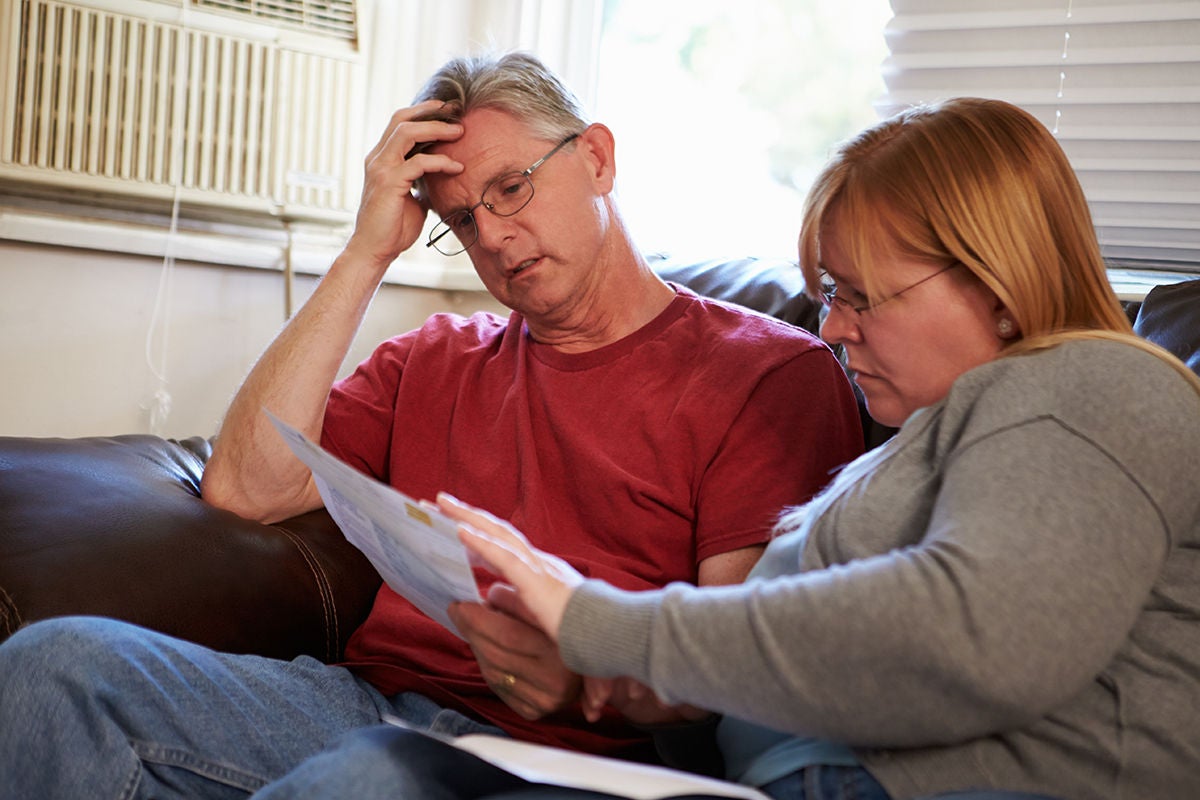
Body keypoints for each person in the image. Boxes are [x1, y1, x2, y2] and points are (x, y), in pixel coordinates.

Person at [0, 52, 865, 798]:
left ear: (596, 158)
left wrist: (586, 677)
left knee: (365, 782)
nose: (492, 235)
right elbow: (245, 489)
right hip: (366, 706)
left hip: (570, 753)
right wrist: (367, 249)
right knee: (52, 666)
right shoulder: (437, 357)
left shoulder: (769, 372)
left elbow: (739, 658)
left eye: (512, 188)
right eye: (460, 219)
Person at [402, 97, 1200, 800]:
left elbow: (973, 633)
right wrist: (650, 691)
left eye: (859, 296)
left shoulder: (1096, 384)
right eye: (827, 295)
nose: (833, 328)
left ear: (993, 285)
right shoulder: (925, 442)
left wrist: (601, 623)